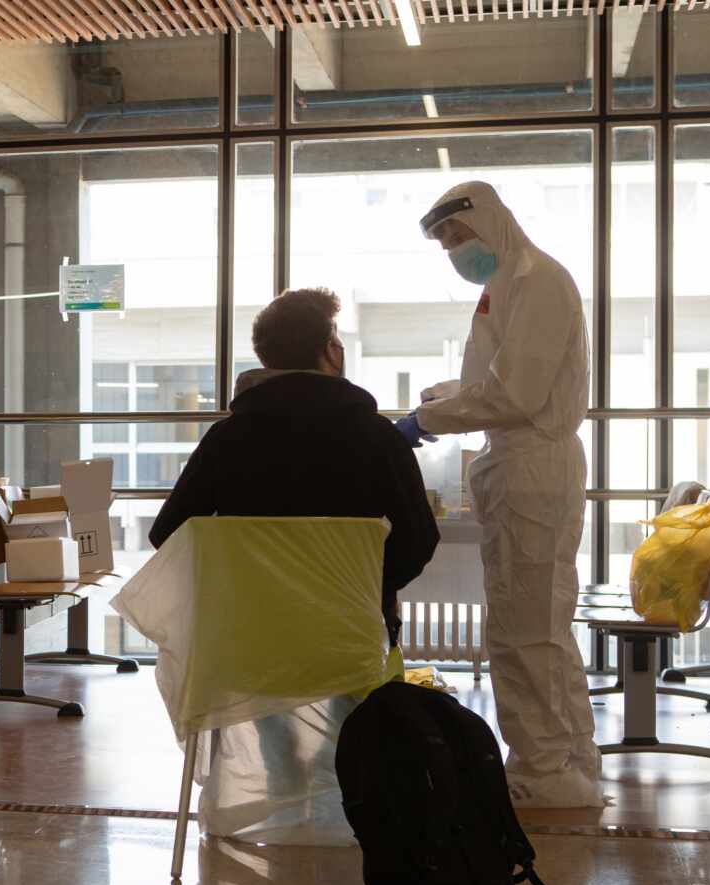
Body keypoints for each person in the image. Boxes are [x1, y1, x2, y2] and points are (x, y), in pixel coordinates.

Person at [397, 181, 601, 808]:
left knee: (523, 630)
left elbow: (515, 396)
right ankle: (570, 764)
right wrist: (441, 401)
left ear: (491, 223)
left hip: (532, 467)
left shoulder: (535, 280)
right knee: (541, 624)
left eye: (460, 236)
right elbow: (492, 381)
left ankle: (542, 774)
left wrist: (426, 423)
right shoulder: (508, 283)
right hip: (523, 465)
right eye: (447, 244)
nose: (456, 250)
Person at [150, 287, 439, 646]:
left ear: (266, 357)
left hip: (245, 640)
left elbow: (165, 533)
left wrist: (234, 582)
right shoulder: (377, 436)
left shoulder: (226, 438)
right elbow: (420, 538)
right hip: (348, 639)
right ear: (331, 351)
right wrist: (364, 586)